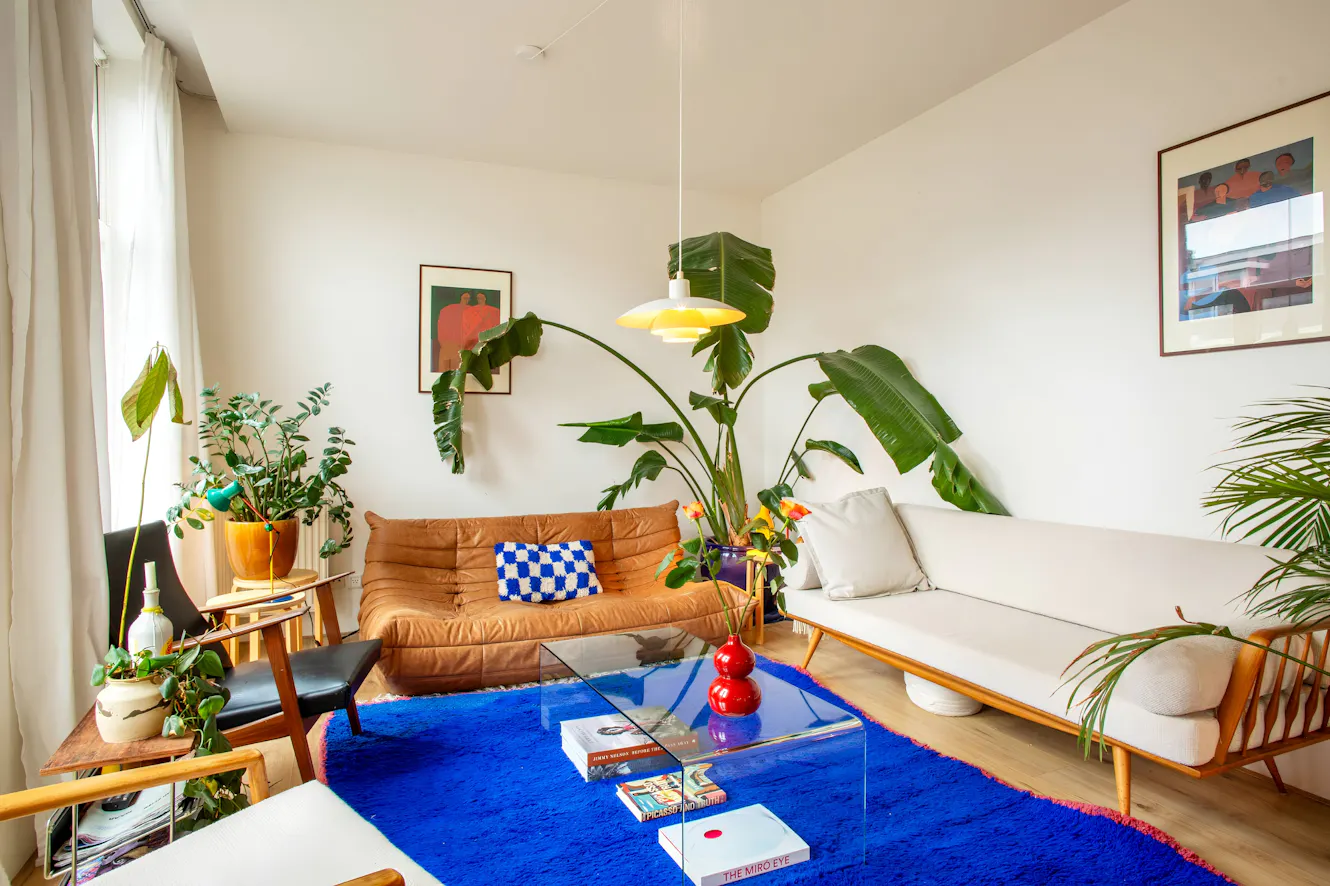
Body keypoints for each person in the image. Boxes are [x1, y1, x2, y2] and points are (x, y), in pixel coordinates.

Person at [434, 292, 470, 372]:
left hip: (461, 349)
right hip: (449, 347)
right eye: (465, 298)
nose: (466, 300)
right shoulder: (447, 310)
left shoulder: (470, 310)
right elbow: (441, 329)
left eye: (468, 299)